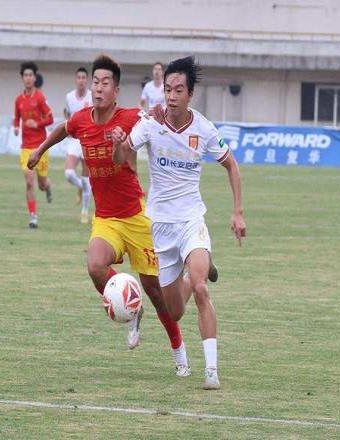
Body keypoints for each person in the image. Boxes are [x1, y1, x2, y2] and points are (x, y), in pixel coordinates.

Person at [28, 54, 191, 377]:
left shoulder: (129, 118)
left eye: (106, 83)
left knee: (157, 292)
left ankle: (179, 350)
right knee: (94, 266)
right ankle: (131, 306)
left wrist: (161, 115)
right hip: (106, 219)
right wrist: (40, 149)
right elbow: (63, 129)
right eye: (96, 82)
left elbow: (155, 121)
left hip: (137, 217)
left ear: (116, 91)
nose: (99, 88)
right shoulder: (82, 120)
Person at [112, 56, 246, 390]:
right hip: (161, 226)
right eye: (167, 90)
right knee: (175, 311)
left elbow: (231, 165)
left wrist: (237, 211)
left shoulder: (204, 129)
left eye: (178, 90)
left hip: (190, 220)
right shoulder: (149, 123)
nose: (171, 96)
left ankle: (211, 371)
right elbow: (120, 157)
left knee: (201, 288)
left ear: (190, 94)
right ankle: (200, 265)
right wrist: (117, 144)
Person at [13, 61, 54, 229]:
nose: (28, 78)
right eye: (25, 75)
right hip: (26, 147)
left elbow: (50, 118)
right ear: (22, 78)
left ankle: (48, 186)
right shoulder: (18, 100)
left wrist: (37, 124)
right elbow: (16, 117)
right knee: (29, 181)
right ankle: (33, 217)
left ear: (35, 78)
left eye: (31, 75)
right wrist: (16, 127)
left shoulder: (40, 98)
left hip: (41, 147)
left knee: (41, 184)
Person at [63, 67, 93, 224]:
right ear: (76, 80)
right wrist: (68, 126)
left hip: (88, 140)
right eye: (79, 77)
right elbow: (67, 113)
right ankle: (81, 186)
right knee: (69, 173)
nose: (81, 80)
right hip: (74, 140)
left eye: (83, 77)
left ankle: (85, 211)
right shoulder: (69, 97)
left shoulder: (92, 96)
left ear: (87, 80)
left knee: (86, 176)